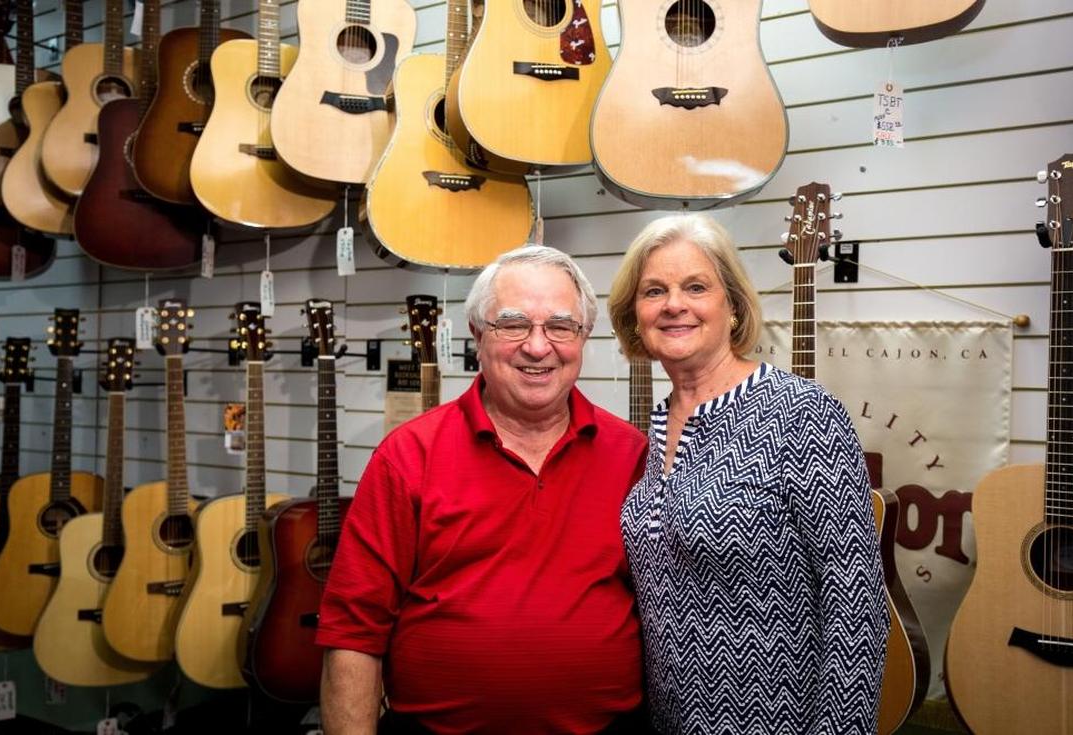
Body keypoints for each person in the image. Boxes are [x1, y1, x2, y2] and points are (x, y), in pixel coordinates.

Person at [317, 245, 649, 734]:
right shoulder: (408, 455)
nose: (538, 347)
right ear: (476, 334)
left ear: (583, 338)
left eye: (560, 326)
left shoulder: (633, 455)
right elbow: (352, 630)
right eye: (513, 324)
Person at [607, 214, 888, 734]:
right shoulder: (655, 423)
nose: (673, 304)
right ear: (635, 315)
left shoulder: (803, 414)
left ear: (732, 306)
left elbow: (856, 607)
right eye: (654, 291)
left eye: (696, 286)